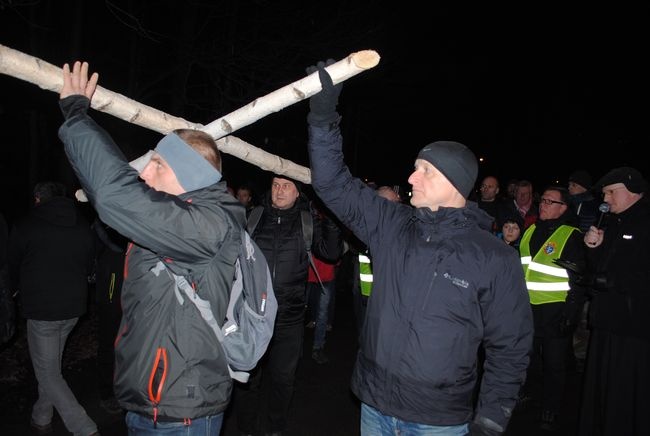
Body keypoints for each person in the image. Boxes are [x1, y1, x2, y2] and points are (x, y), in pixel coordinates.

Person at [305, 61, 533, 435]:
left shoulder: (493, 257)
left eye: (425, 170)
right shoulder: (391, 225)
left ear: (456, 183)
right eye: (415, 167)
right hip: (374, 407)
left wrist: (491, 419)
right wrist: (323, 114)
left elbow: (510, 346)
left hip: (437, 420)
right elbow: (332, 183)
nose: (412, 178)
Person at [58, 61, 246, 435]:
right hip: (150, 400)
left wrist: (76, 113)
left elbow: (117, 195)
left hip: (182, 409)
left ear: (186, 172)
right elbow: (117, 220)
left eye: (156, 163)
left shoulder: (207, 224)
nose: (144, 172)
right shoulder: (180, 223)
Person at [233, 174, 341, 436]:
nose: (279, 191)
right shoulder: (254, 217)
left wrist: (331, 220)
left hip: (289, 319)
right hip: (253, 316)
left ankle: (276, 428)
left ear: (297, 193)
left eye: (286, 186)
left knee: (283, 380)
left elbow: (331, 252)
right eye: (275, 186)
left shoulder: (306, 221)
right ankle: (246, 429)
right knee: (248, 380)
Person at [7, 181, 98, 436]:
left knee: (48, 372)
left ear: (38, 198)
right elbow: (89, 264)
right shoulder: (82, 227)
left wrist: (14, 292)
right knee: (50, 367)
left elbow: (11, 265)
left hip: (43, 310)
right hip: (73, 309)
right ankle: (41, 416)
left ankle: (85, 429)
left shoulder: (26, 226)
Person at [579, 167, 650, 436]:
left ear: (631, 190)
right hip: (606, 321)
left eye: (611, 192)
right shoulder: (612, 222)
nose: (605, 199)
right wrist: (593, 249)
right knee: (602, 391)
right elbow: (601, 270)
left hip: (634, 329)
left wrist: (615, 282)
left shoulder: (645, 222)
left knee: (627, 394)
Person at [518, 186, 586, 431]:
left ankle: (551, 407)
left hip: (556, 311)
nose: (543, 205)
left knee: (555, 365)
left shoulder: (571, 235)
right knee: (528, 359)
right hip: (527, 310)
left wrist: (571, 314)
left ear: (563, 208)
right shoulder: (530, 231)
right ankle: (527, 395)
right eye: (543, 200)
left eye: (550, 201)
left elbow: (579, 281)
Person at [351, 185, 402, 337]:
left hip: (390, 298)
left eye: (397, 203)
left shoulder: (400, 228)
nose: (397, 207)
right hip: (367, 295)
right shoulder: (365, 227)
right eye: (392, 203)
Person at [91, 218, 127, 415]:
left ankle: (124, 389)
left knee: (127, 345)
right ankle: (107, 394)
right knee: (108, 344)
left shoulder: (130, 220)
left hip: (130, 294)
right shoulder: (101, 226)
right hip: (111, 296)